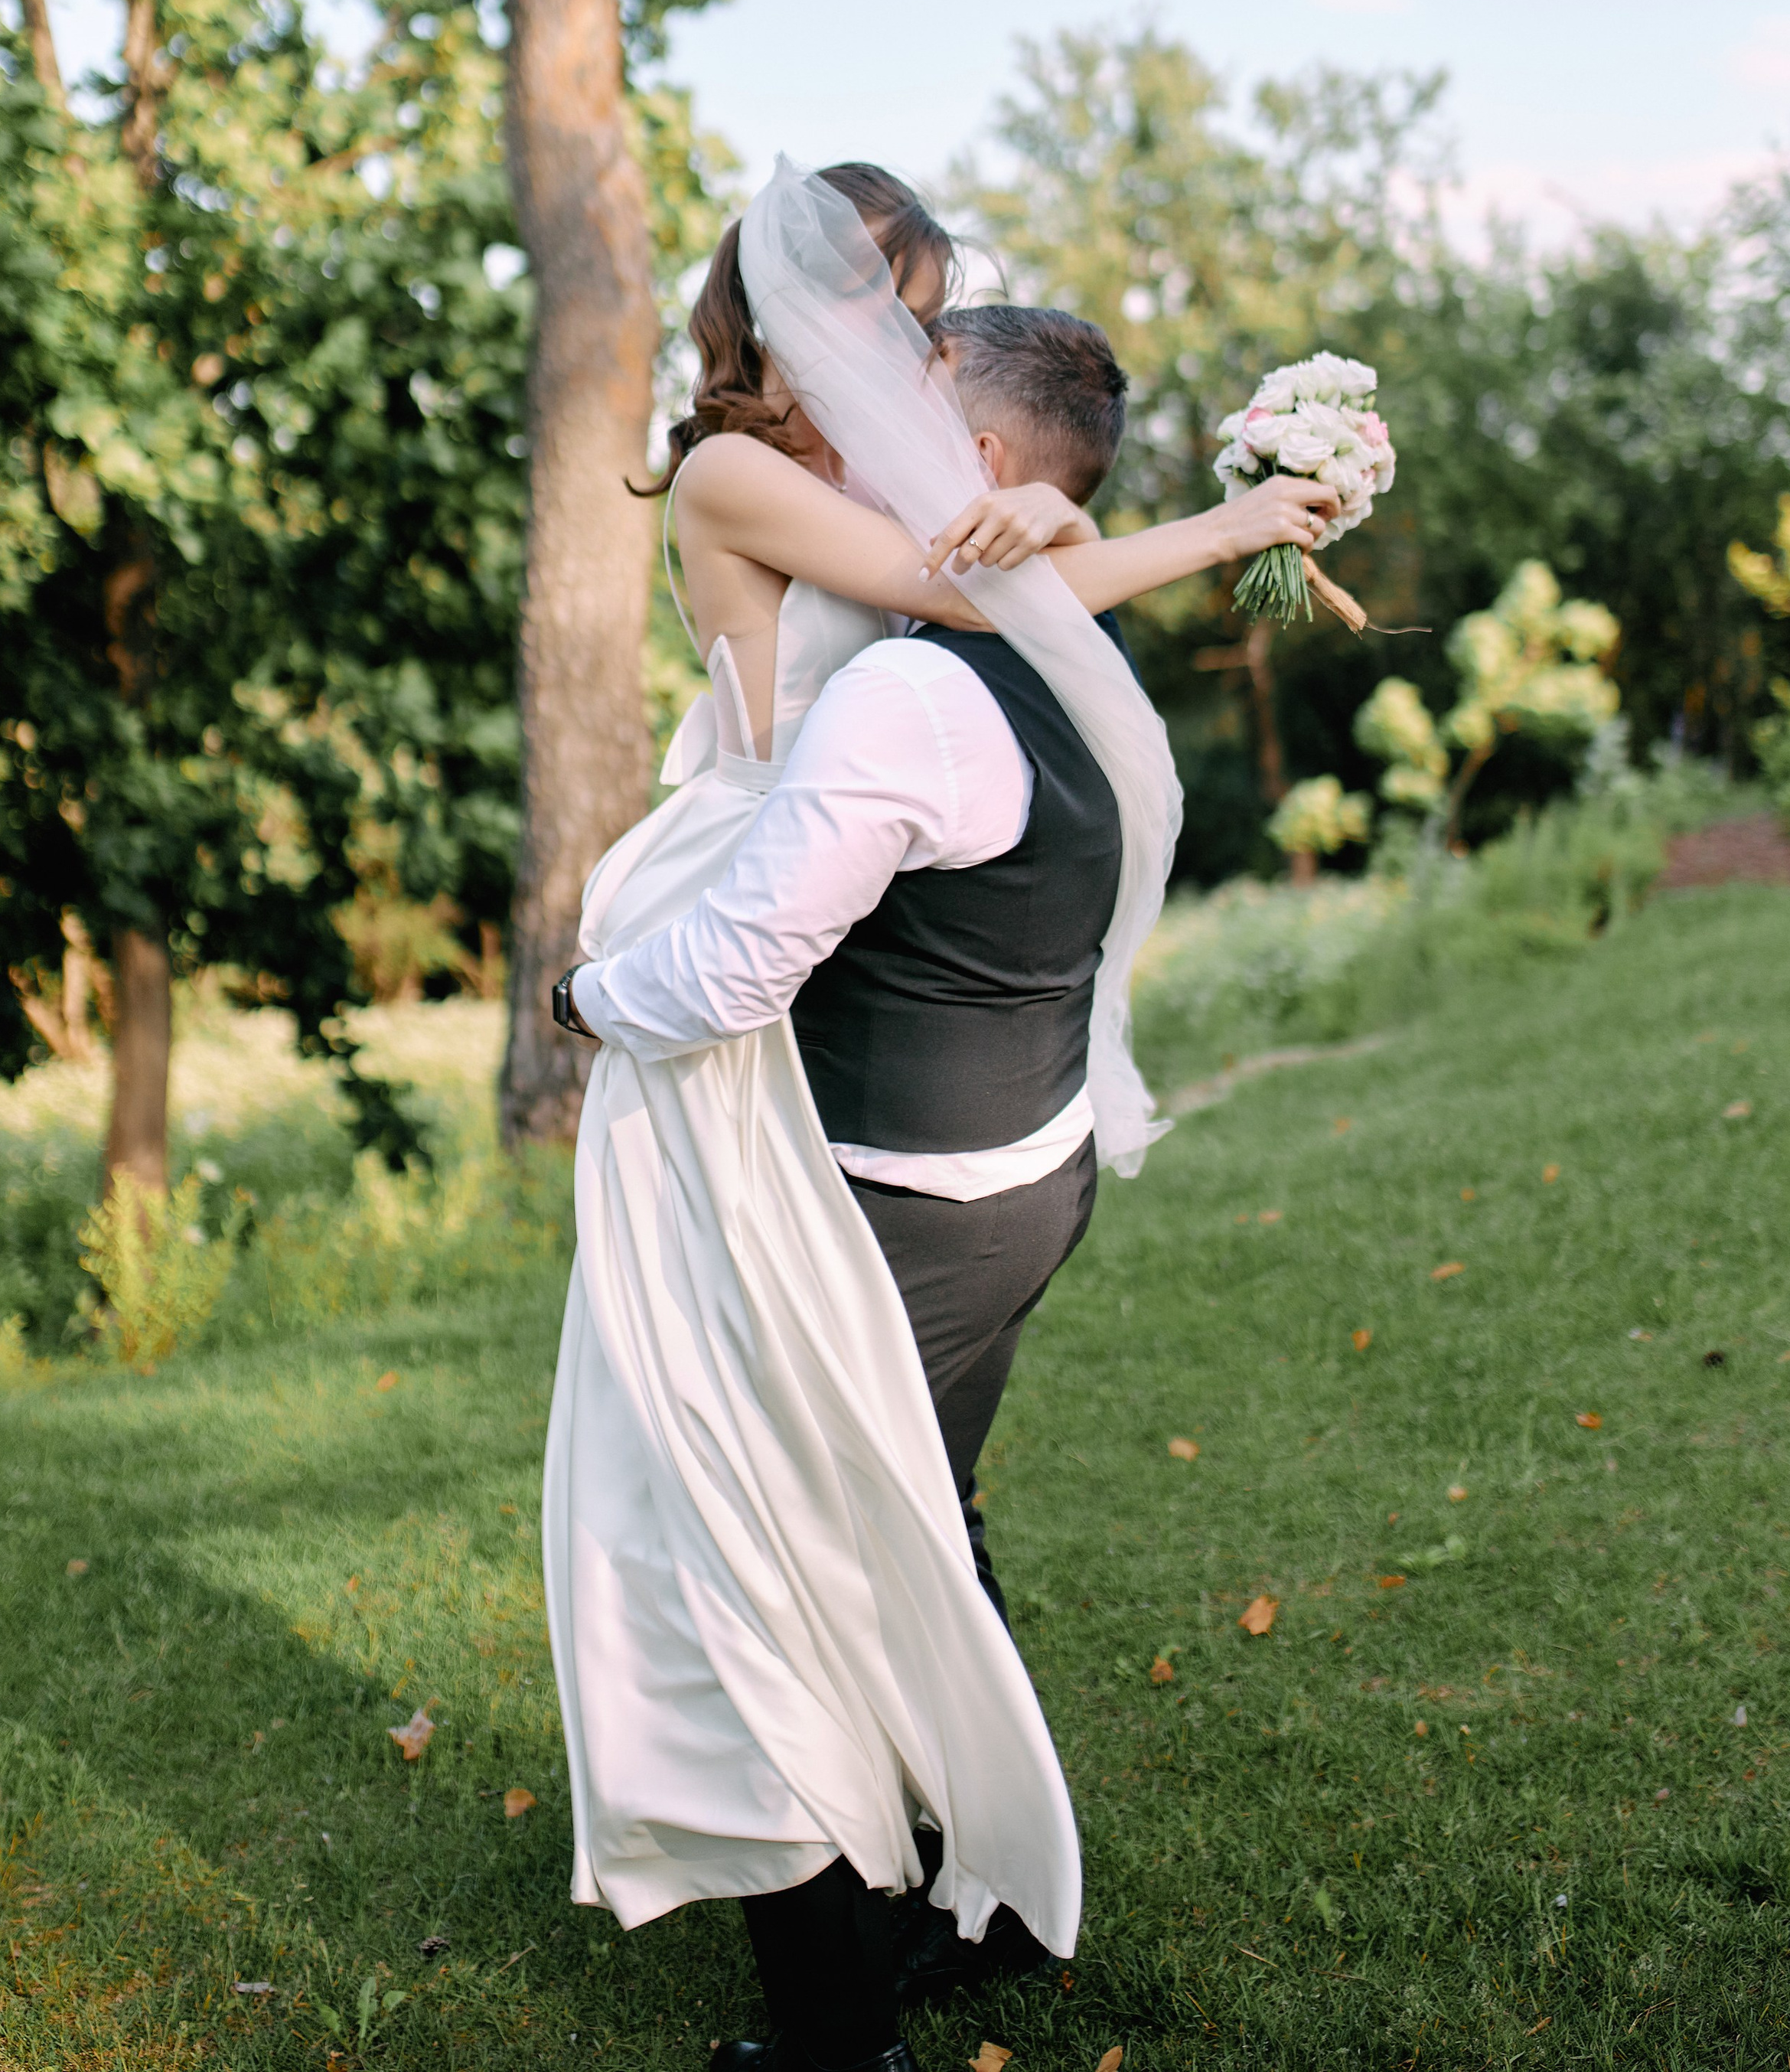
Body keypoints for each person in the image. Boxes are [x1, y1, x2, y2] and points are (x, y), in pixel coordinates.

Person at [540, 161, 1335, 2072]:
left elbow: (996, 585)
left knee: (826, 1514)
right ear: (784, 316)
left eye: (915, 321)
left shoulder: (871, 485)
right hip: (741, 909)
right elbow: (959, 589)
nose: (908, 351)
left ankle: (911, 1898)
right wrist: (1184, 519)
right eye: (884, 315)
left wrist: (1081, 513)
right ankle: (900, 1879)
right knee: (758, 1483)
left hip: (815, 943)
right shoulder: (732, 474)